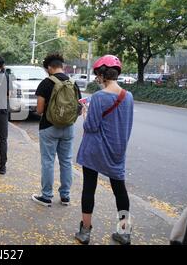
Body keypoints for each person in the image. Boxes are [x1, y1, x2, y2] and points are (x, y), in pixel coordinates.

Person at [74, 55, 134, 245]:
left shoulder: (99, 97)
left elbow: (91, 127)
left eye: (97, 76)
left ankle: (85, 232)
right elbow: (127, 124)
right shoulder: (128, 96)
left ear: (101, 75)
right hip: (117, 151)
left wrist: (85, 113)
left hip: (94, 151)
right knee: (120, 191)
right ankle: (124, 232)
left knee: (89, 189)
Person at [32, 54, 81, 208]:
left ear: (49, 68)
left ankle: (46, 197)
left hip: (49, 127)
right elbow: (78, 109)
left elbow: (39, 110)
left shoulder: (46, 83)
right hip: (68, 128)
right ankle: (65, 196)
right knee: (66, 161)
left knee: (48, 162)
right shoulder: (73, 83)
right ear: (62, 65)